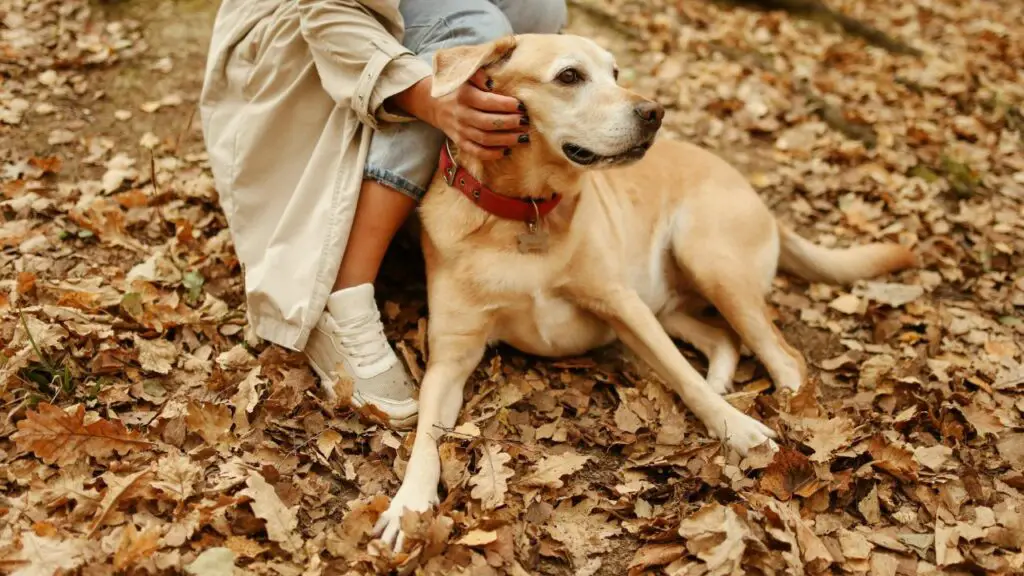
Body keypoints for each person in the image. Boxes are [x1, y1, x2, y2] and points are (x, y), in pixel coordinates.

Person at [199, 1, 568, 428]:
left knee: (535, 8)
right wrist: (428, 97)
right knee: (468, 30)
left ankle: (469, 215)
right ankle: (341, 295)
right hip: (301, 23)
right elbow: (326, 12)